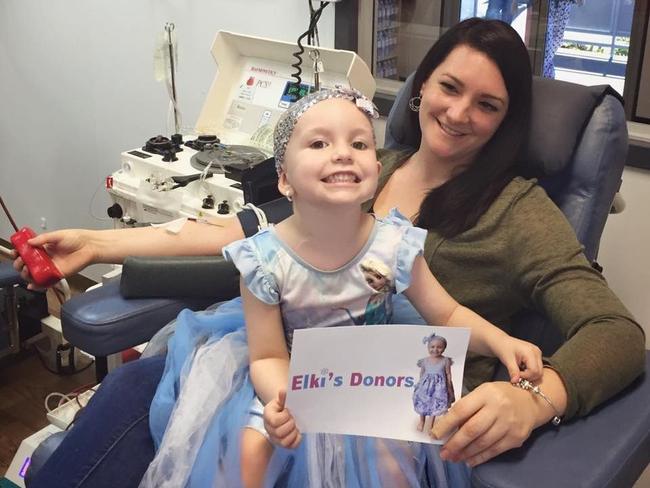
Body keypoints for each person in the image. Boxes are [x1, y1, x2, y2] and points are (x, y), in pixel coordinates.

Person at [15, 17, 645, 488]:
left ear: (507, 121)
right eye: (448, 87)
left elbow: (616, 332)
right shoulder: (372, 162)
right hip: (279, 369)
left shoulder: (519, 209)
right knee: (139, 391)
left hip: (384, 402)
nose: (458, 113)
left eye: (488, 105)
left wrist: (537, 400)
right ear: (419, 90)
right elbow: (252, 229)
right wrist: (100, 243)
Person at [149, 87, 540, 487]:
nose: (342, 153)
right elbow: (267, 357)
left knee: (393, 464)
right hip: (293, 375)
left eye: (359, 143)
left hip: (373, 381)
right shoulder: (262, 262)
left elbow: (448, 313)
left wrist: (500, 342)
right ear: (284, 178)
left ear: (374, 169)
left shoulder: (394, 246)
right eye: (319, 143)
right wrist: (285, 401)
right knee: (252, 452)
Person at [413, 333, 455, 433]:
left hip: (439, 387)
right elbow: (422, 373)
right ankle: (422, 421)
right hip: (425, 386)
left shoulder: (445, 361)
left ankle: (431, 424)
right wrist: (419, 384)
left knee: (434, 404)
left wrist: (448, 384)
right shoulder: (424, 361)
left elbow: (448, 373)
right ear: (428, 347)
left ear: (444, 348)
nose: (435, 349)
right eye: (432, 347)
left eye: (439, 347)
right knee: (423, 402)